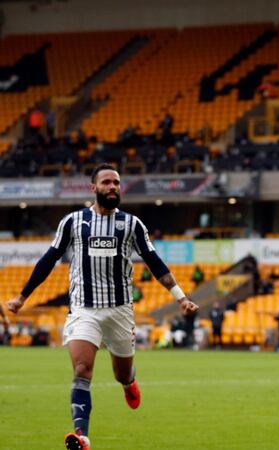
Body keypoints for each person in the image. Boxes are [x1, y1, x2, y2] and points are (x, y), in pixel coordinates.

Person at [4, 164, 198, 450]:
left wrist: (181, 297)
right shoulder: (73, 222)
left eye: (116, 183)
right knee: (82, 369)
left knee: (122, 373)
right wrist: (22, 297)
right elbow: (49, 259)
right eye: (106, 182)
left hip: (120, 311)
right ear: (93, 187)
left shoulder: (131, 224)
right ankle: (81, 436)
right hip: (84, 309)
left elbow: (155, 262)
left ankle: (129, 383)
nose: (112, 187)